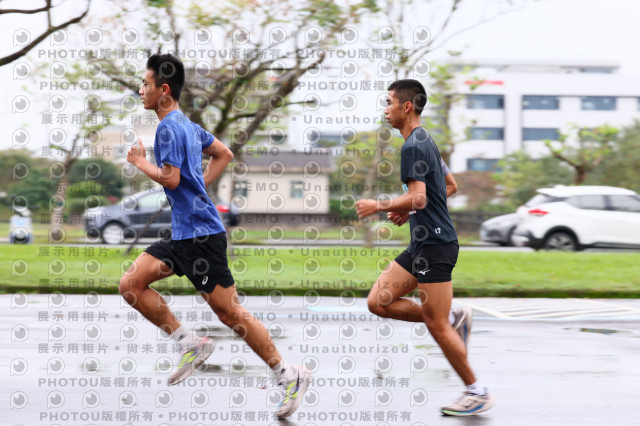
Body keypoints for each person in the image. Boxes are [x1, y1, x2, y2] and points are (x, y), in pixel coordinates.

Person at [120, 53, 310, 419]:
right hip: (183, 235)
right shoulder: (188, 126)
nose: (140, 90)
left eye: (145, 84)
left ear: (163, 89)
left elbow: (172, 178)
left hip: (202, 237)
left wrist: (140, 163)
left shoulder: (169, 128)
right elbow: (224, 153)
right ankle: (189, 343)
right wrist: (200, 188)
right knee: (131, 284)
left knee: (229, 312)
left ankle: (289, 375)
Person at [356, 79, 493, 416]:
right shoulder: (424, 139)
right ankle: (453, 316)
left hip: (435, 246)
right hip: (422, 242)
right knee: (379, 301)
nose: (385, 110)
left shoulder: (413, 146)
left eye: (389, 102)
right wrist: (410, 209)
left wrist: (379, 205)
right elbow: (449, 185)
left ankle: (476, 391)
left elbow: (418, 196)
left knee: (435, 324)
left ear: (406, 107)